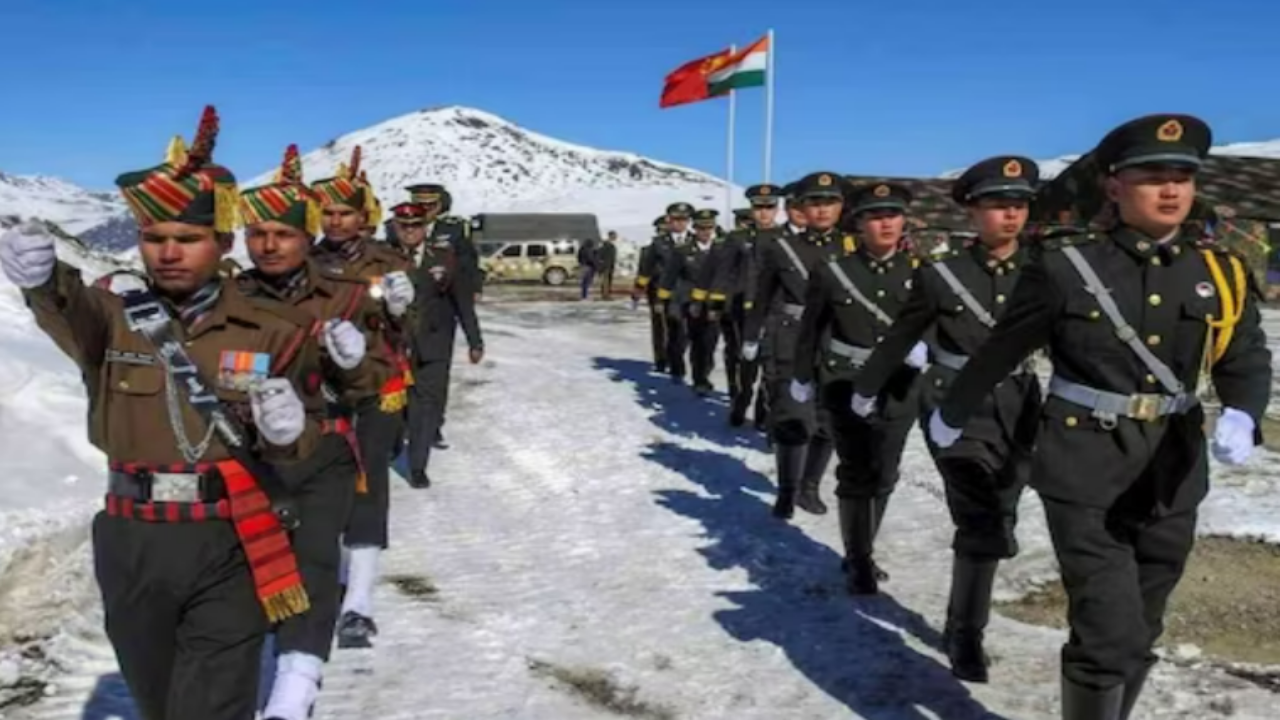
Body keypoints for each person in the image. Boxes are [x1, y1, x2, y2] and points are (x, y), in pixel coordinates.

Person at [931, 114, 1271, 719]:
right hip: (1084, 466)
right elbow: (1004, 347)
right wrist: (955, 410)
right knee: (1107, 631)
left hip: (1173, 467)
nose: (1170, 189)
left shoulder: (1220, 272)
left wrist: (1244, 411)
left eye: (1182, 177)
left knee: (1142, 628)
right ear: (1114, 186)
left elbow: (1244, 354)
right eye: (1152, 176)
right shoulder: (1067, 267)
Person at [0, 105, 320, 720]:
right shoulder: (114, 315)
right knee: (159, 698)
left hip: (228, 533)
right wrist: (41, 280)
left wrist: (290, 432)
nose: (169, 253)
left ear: (222, 243)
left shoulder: (272, 330)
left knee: (212, 705)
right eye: (155, 238)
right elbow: (67, 305)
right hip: (132, 535)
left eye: (188, 239)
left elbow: (299, 442)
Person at [852, 156, 1043, 680]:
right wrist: (868, 387)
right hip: (953, 405)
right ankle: (966, 633)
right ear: (971, 211)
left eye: (1019, 205)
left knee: (1003, 511)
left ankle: (966, 611)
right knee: (978, 514)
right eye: (997, 205)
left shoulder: (1046, 271)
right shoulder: (943, 276)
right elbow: (900, 335)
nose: (1010, 215)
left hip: (1021, 403)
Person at [237, 144, 395, 719]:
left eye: (284, 233)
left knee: (312, 564)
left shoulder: (346, 295)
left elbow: (377, 374)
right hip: (245, 454)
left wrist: (355, 364)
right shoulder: (230, 296)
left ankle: (293, 692)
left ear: (306, 239)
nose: (270, 245)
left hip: (323, 446)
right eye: (258, 233)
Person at [791, 181, 924, 589]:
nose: (886, 224)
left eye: (893, 215)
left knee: (886, 472)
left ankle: (864, 544)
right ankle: (858, 557)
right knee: (855, 471)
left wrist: (926, 349)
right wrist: (802, 376)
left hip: (900, 385)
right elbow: (811, 330)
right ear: (859, 222)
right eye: (875, 216)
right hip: (844, 383)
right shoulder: (833, 273)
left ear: (904, 221)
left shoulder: (924, 273)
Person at [311, 149, 417, 650]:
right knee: (315, 485)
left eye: (344, 213)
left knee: (367, 483)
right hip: (317, 389)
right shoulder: (302, 260)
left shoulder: (389, 261)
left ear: (363, 217)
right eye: (327, 213)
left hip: (375, 389)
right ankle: (320, 575)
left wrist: (400, 311)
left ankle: (358, 601)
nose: (335, 221)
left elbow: (413, 329)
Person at [743, 175, 842, 518]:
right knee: (793, 418)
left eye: (829, 203)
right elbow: (762, 298)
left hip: (836, 341)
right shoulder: (780, 248)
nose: (822, 210)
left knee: (829, 420)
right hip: (790, 338)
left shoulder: (851, 248)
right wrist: (752, 336)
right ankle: (787, 489)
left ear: (840, 208)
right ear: (802, 208)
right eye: (815, 203)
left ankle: (810, 486)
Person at [391, 200, 484, 489]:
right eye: (403, 226)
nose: (409, 231)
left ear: (425, 228)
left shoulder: (444, 257)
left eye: (415, 226)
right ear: (395, 227)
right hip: (392, 345)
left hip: (434, 343)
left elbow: (462, 301)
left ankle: (417, 465)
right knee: (393, 404)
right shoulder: (383, 258)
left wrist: (474, 339)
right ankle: (393, 444)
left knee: (425, 405)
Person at [404, 183, 479, 444]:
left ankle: (433, 424)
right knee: (404, 371)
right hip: (405, 309)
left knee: (437, 374)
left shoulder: (454, 229)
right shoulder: (398, 226)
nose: (424, 209)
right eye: (419, 203)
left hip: (442, 310)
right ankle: (406, 422)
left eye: (430, 205)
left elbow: (468, 262)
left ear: (441, 204)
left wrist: (471, 292)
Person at [705, 184, 782, 426]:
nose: (764, 213)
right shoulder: (738, 238)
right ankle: (740, 402)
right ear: (751, 209)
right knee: (746, 363)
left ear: (777, 209)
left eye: (769, 207)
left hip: (775, 311)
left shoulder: (786, 238)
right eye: (759, 207)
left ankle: (763, 412)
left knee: (772, 366)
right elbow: (724, 272)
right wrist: (716, 303)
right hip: (743, 311)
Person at [660, 208, 721, 394]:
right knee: (697, 342)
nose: (705, 232)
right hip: (691, 303)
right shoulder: (683, 251)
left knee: (710, 343)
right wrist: (669, 303)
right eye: (701, 228)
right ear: (695, 228)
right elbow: (670, 278)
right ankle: (699, 379)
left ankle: (705, 372)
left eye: (709, 228)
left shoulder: (722, 249)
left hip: (715, 303)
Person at [648, 203, 695, 380]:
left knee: (686, 332)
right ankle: (672, 363)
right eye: (676, 219)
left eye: (684, 219)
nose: (680, 223)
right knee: (668, 328)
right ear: (669, 220)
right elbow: (650, 267)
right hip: (666, 293)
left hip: (689, 293)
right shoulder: (659, 243)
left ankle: (676, 357)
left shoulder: (695, 240)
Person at [633, 215, 674, 372]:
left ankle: (673, 357)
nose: (663, 233)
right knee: (660, 327)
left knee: (677, 328)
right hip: (657, 292)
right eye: (661, 230)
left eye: (666, 230)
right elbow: (644, 272)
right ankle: (661, 359)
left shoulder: (680, 247)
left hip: (678, 294)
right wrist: (639, 289)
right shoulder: (650, 249)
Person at [577, 235, 600, 300]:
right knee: (587, 282)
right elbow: (591, 259)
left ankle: (583, 295)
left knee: (584, 282)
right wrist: (596, 266)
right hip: (589, 267)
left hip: (583, 266)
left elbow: (578, 257)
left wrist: (581, 263)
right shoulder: (589, 250)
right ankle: (585, 296)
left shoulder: (581, 249)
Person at [598, 230, 619, 299]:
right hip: (606, 266)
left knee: (608, 281)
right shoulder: (606, 245)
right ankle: (605, 295)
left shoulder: (611, 245)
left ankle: (607, 295)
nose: (616, 237)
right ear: (611, 236)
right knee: (605, 281)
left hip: (610, 266)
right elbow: (600, 255)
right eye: (615, 235)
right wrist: (603, 264)